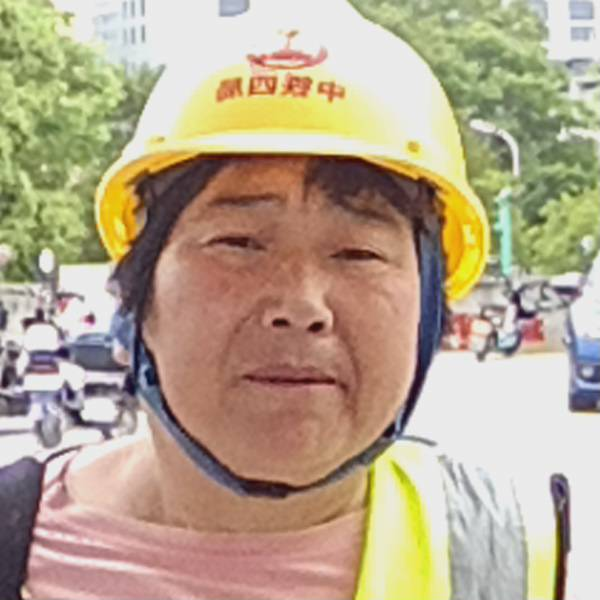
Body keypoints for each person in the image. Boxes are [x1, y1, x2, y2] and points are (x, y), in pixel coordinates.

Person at [0, 2, 569, 598]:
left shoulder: (509, 552)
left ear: (427, 311)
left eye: (358, 254)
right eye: (239, 243)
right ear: (140, 296)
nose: (301, 307)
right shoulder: (20, 543)